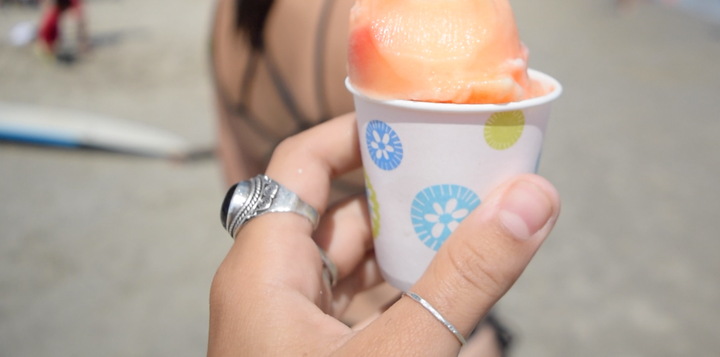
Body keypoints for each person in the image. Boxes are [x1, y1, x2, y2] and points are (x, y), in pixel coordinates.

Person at [209, 0, 505, 351]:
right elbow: (471, 184)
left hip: (300, 304)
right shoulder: (373, 6)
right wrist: (477, 13)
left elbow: (243, 179)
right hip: (397, 316)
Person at [208, 114, 561, 357]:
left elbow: (231, 154)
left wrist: (250, 223)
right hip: (377, 292)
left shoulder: (229, 16)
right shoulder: (344, 15)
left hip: (323, 284)